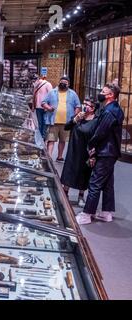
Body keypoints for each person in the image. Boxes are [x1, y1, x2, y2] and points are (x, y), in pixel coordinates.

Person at [76, 83, 124, 225]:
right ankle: (106, 212)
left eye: (104, 91)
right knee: (108, 182)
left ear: (110, 95)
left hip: (105, 151)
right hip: (111, 151)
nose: (101, 93)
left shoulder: (109, 111)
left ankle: (87, 214)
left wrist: (92, 145)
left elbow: (101, 132)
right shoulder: (114, 109)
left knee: (95, 182)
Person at [61, 99, 98, 207]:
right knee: (69, 170)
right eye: (84, 103)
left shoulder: (96, 121)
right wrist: (75, 119)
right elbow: (66, 127)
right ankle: (65, 193)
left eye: (87, 105)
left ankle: (81, 196)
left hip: (85, 151)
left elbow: (96, 136)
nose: (85, 106)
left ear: (93, 108)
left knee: (84, 173)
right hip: (73, 148)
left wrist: (93, 153)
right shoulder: (78, 116)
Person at [42, 76, 81, 161]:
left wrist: (75, 116)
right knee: (51, 140)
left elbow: (77, 105)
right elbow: (43, 102)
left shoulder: (73, 94)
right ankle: (49, 158)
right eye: (61, 82)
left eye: (65, 83)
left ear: (68, 84)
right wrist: (48, 108)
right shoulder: (52, 92)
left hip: (66, 122)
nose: (63, 84)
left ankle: (59, 156)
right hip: (53, 121)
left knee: (62, 141)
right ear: (59, 82)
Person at [32, 75, 53, 139]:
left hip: (43, 107)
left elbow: (51, 96)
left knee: (43, 123)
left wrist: (49, 107)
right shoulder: (37, 86)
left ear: (38, 79)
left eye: (34, 81)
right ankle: (41, 137)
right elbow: (34, 96)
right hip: (41, 107)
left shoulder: (46, 85)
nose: (34, 82)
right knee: (42, 123)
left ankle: (42, 137)